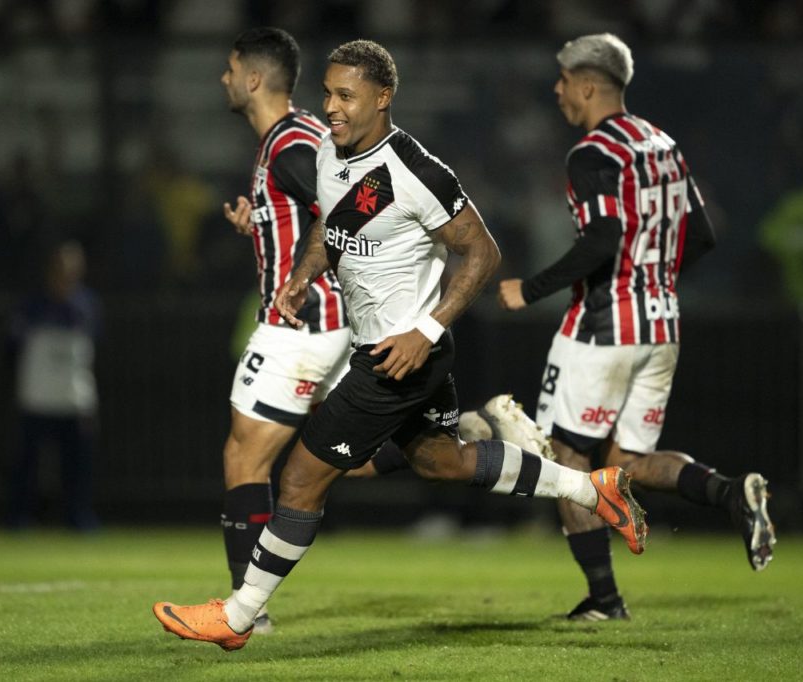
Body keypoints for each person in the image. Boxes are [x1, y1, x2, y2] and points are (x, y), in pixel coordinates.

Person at [152, 39, 648, 652]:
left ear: (383, 98)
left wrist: (428, 329)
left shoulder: (413, 171)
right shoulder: (333, 154)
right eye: (328, 93)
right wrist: (304, 274)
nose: (330, 107)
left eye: (345, 96)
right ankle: (590, 489)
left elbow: (483, 252)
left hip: (400, 356)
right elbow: (329, 224)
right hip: (390, 350)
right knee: (443, 460)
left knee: (303, 477)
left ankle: (237, 615)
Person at [497, 33, 776, 621]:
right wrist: (652, 276)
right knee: (628, 465)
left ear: (590, 85)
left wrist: (531, 288)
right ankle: (731, 493)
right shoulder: (662, 144)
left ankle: (604, 600)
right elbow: (702, 234)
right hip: (662, 323)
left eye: (565, 79)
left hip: (604, 327)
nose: (558, 89)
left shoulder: (591, 154)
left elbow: (602, 239)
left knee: (567, 459)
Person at [212, 27, 353, 634]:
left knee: (244, 454)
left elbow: (338, 212)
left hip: (300, 321)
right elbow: (309, 213)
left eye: (229, 68)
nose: (222, 77)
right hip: (331, 319)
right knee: (352, 452)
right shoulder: (292, 138)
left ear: (252, 79)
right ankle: (472, 433)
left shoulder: (291, 143)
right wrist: (261, 225)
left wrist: (296, 278)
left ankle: (249, 612)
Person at [8, 241, 100, 531]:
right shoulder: (32, 304)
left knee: (77, 466)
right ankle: (20, 517)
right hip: (37, 396)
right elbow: (14, 341)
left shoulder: (86, 304)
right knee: (28, 463)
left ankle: (79, 517)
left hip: (74, 396)